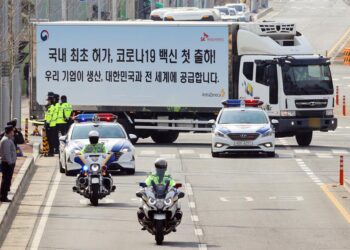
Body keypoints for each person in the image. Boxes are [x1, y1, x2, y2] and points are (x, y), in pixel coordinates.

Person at [0, 126, 17, 202]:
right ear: (10, 132)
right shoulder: (6, 140)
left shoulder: (8, 139)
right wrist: (10, 163)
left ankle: (4, 195)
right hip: (7, 163)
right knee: (6, 180)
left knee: (7, 179)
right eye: (13, 131)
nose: (13, 133)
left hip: (8, 163)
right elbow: (7, 153)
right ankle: (3, 196)